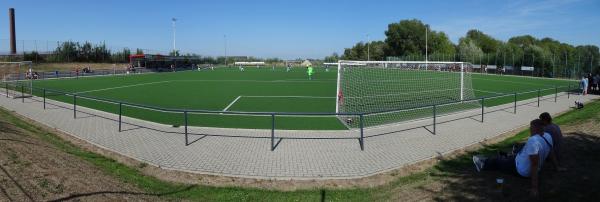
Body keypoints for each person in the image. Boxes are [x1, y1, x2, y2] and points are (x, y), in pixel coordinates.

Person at [473, 119, 564, 197]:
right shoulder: (547, 136)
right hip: (521, 161)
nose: (529, 129)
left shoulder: (533, 141)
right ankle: (506, 156)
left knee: (498, 161)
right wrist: (557, 167)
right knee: (514, 153)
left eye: (530, 128)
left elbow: (535, 164)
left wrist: (534, 188)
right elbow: (551, 153)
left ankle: (482, 164)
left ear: (534, 128)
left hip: (520, 169)